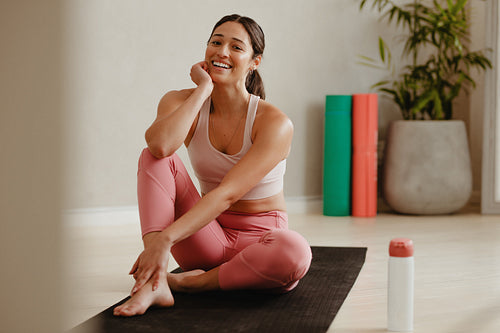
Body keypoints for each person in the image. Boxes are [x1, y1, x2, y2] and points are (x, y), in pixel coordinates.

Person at [113, 14, 312, 317]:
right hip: (207, 238)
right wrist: (203, 90)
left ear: (254, 62)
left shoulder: (274, 122)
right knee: (153, 157)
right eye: (216, 42)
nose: (222, 52)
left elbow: (227, 194)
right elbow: (160, 146)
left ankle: (185, 284)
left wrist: (167, 239)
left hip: (261, 244)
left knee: (295, 252)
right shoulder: (181, 101)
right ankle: (155, 282)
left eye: (236, 47)